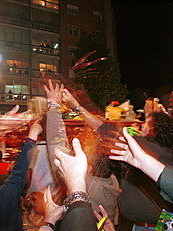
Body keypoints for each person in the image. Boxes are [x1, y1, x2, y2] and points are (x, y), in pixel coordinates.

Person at [62, 89, 173, 231]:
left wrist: (76, 106)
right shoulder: (168, 151)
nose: (141, 126)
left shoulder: (144, 147)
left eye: (145, 124)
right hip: (169, 224)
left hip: (150, 230)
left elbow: (104, 129)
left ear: (153, 131)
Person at [44, 80, 119, 222]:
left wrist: (54, 107)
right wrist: (75, 106)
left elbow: (58, 147)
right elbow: (109, 133)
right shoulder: (113, 182)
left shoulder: (87, 184)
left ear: (89, 168)